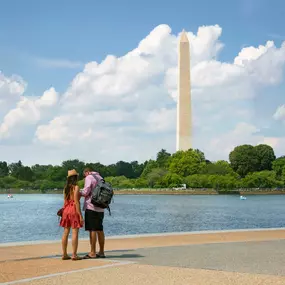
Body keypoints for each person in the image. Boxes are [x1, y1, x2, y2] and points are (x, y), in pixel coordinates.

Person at [80, 168, 106, 259]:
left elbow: (86, 192)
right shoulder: (100, 177)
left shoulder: (89, 177)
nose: (84, 177)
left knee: (92, 229)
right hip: (101, 207)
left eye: (84, 175)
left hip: (91, 206)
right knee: (100, 229)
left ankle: (92, 252)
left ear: (86, 172)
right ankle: (101, 252)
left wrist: (78, 191)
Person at [59, 169, 83, 261]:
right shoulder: (76, 187)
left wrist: (64, 211)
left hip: (66, 210)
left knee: (65, 232)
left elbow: (65, 201)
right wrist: (80, 215)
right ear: (76, 177)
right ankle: (74, 254)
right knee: (74, 232)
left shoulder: (65, 188)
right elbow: (76, 202)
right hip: (73, 210)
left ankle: (64, 254)